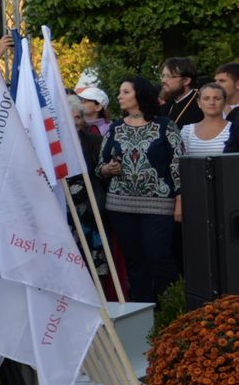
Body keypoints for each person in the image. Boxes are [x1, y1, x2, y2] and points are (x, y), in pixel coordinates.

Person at [98, 76, 182, 302]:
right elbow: (100, 167)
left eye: (125, 92)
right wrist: (109, 168)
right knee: (135, 263)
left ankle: (176, 314)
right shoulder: (115, 128)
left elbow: (178, 166)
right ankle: (144, 316)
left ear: (139, 95)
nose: (119, 96)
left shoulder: (166, 126)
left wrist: (180, 202)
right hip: (120, 205)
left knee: (159, 258)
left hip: (159, 206)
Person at [180, 82, 231, 157]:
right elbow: (183, 162)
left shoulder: (234, 129)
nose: (212, 102)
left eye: (217, 98)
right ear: (199, 103)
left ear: (224, 102)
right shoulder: (187, 131)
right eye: (206, 99)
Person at [159, 57, 203, 128]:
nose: (163, 80)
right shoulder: (166, 106)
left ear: (186, 80)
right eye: (163, 76)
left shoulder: (202, 106)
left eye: (169, 76)